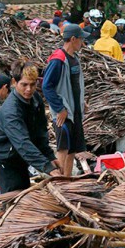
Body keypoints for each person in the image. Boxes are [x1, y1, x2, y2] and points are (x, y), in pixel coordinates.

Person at [0, 62, 61, 193]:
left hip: (19, 154)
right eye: (24, 84)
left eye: (32, 84)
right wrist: (48, 167)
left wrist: (50, 156)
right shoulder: (11, 110)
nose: (28, 89)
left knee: (24, 191)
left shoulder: (35, 99)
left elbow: (40, 132)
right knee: (13, 195)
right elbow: (22, 143)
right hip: (4, 155)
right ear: (14, 82)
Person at [42, 25, 88, 177]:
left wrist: (81, 102)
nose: (82, 42)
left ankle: (67, 180)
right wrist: (59, 108)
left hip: (75, 111)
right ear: (73, 39)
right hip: (64, 113)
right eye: (81, 39)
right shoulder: (58, 60)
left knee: (72, 149)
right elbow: (47, 86)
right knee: (63, 148)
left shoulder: (75, 59)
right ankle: (59, 182)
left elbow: (75, 85)